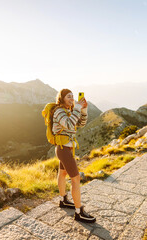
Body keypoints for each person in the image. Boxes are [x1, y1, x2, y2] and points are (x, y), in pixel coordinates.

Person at [52, 89, 96, 223]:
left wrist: (83, 110)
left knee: (63, 173)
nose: (72, 98)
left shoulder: (68, 111)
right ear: (62, 99)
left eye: (72, 96)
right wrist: (77, 107)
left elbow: (80, 124)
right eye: (68, 96)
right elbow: (69, 124)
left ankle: (63, 199)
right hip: (63, 149)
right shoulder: (59, 111)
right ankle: (79, 212)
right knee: (76, 179)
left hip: (66, 149)